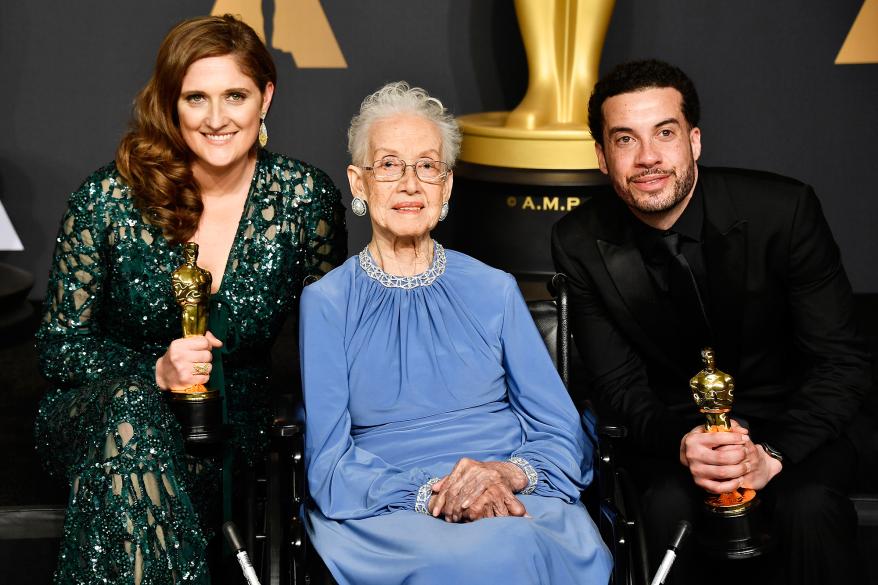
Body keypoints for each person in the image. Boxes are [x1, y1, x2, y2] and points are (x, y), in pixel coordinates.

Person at [33, 14, 346, 585]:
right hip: (99, 420)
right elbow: (59, 349)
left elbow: (331, 342)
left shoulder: (304, 199)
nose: (217, 118)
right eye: (196, 97)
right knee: (132, 414)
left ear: (265, 98)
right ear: (171, 104)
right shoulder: (107, 199)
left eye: (235, 95)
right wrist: (153, 370)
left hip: (231, 430)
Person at [551, 59, 872, 584]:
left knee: (808, 506)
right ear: (602, 157)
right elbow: (618, 386)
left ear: (694, 141)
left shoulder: (783, 211)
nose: (648, 157)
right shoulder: (578, 240)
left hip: (797, 421)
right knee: (663, 508)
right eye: (625, 139)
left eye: (665, 133)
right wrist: (683, 444)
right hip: (675, 432)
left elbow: (842, 362)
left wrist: (771, 454)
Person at [299, 82, 612, 585]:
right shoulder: (327, 304)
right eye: (389, 165)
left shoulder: (495, 289)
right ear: (359, 184)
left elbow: (562, 434)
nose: (409, 185)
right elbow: (330, 465)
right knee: (489, 556)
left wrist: (505, 475)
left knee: (516, 540)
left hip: (513, 495)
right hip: (391, 510)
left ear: (446, 187)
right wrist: (435, 492)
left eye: (427, 166)